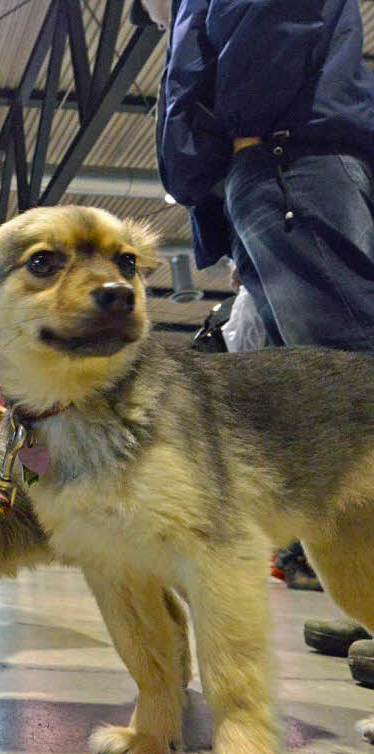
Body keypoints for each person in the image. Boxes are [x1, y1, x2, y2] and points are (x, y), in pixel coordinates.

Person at [156, 0, 374, 679]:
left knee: (356, 396)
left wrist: (220, 139)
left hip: (282, 157)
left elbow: (265, 40)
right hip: (275, 164)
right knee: (334, 421)